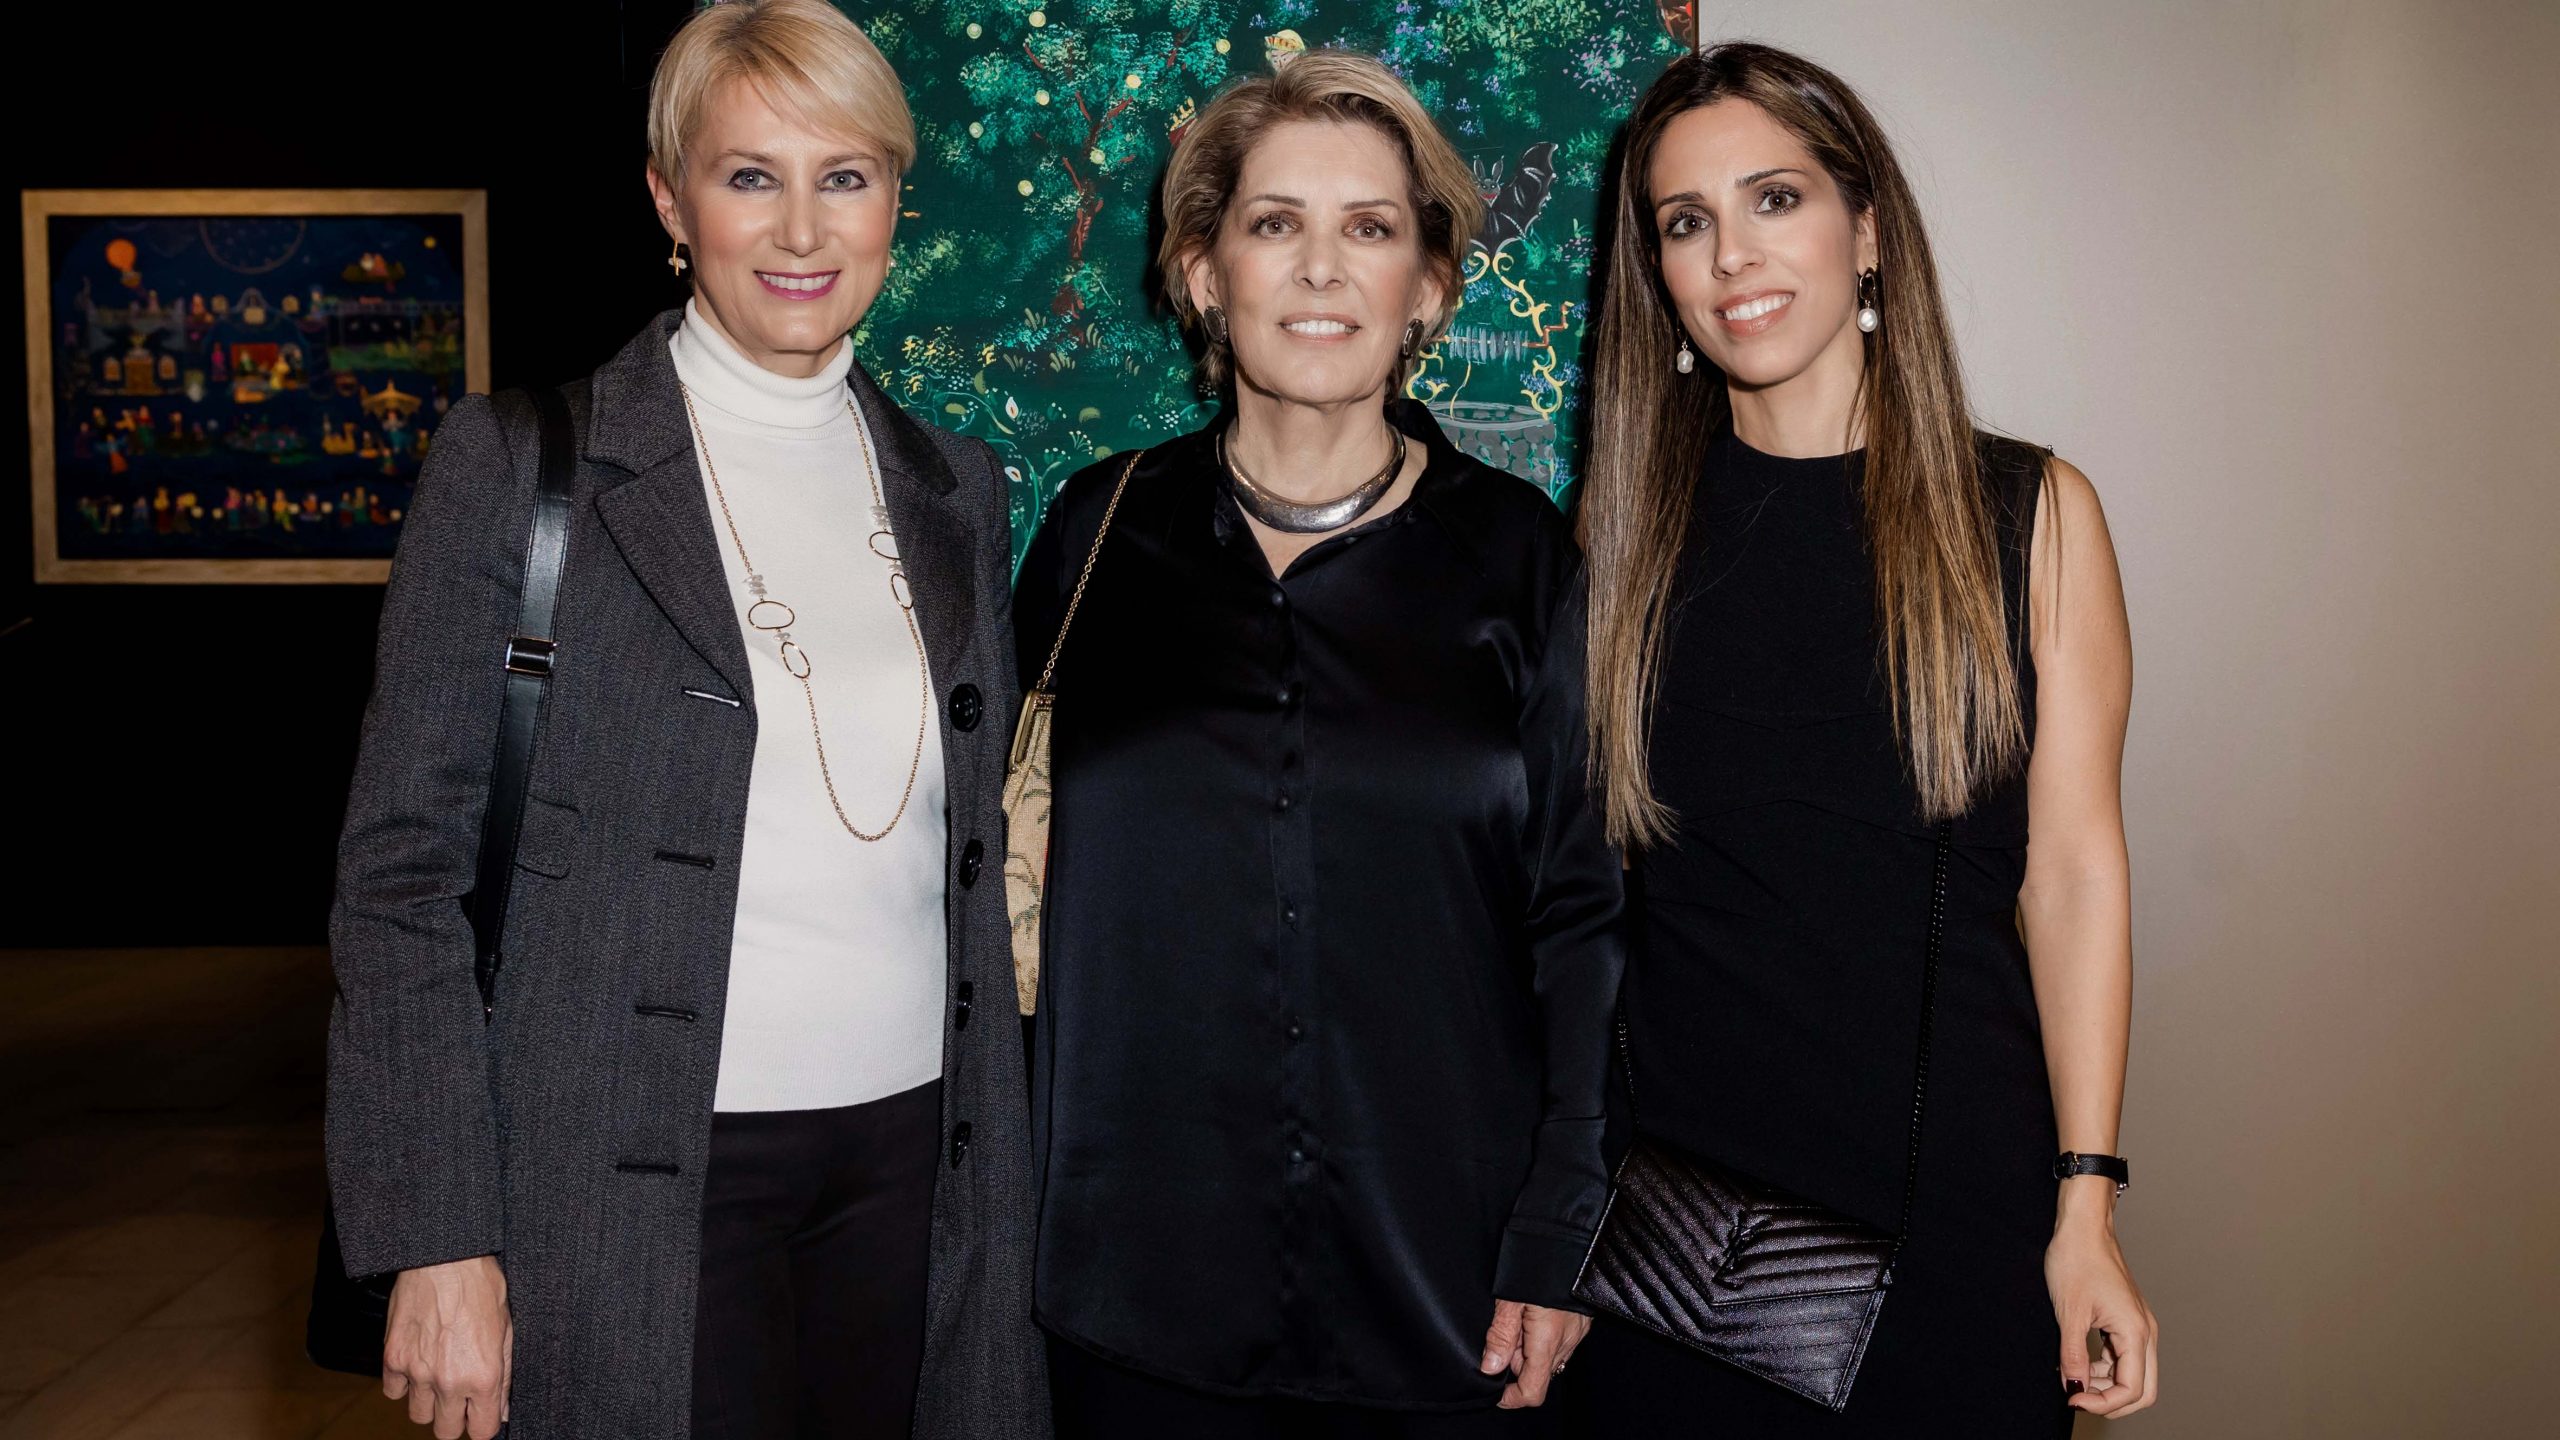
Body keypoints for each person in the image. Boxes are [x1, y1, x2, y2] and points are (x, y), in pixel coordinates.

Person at [323, 4, 1043, 1437]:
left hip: (922, 1166)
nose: (802, 228)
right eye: (749, 175)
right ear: (669, 200)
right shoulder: (519, 465)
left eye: (845, 176)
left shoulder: (958, 490)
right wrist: (438, 1234)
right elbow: (400, 878)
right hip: (623, 1178)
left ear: (895, 200)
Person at [1012, 49, 1623, 1438]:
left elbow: (1583, 919)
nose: (1322, 269)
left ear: (1430, 288)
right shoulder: (1094, 534)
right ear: (1202, 272)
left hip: (1446, 1299)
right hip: (1125, 1301)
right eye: (1276, 222)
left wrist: (1562, 1224)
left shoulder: (1523, 560)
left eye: (1371, 228)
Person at [1571, 43, 2159, 1433]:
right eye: (1687, 221)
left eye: (1774, 199)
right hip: (1679, 1238)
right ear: (1658, 271)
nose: (1732, 254)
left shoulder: (2031, 516)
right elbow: (1578, 905)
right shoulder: (1614, 541)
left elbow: (2074, 876)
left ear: (1870, 230)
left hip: (1951, 1220)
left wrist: (2087, 1210)